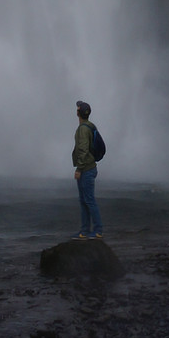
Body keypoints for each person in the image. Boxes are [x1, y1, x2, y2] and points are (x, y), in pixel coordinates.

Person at [72, 100, 103, 239]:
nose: (76, 110)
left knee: (88, 200)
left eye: (78, 108)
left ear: (78, 113)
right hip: (89, 168)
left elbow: (83, 150)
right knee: (84, 200)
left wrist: (79, 169)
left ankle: (97, 231)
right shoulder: (90, 126)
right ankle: (84, 231)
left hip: (86, 169)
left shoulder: (83, 129)